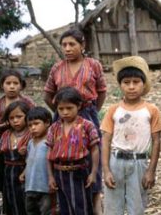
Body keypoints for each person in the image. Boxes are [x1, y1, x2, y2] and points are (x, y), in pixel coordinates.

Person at [43, 28, 107, 214]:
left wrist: (91, 111)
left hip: (87, 113)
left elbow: (101, 91)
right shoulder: (57, 67)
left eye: (72, 44)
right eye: (64, 45)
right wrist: (60, 111)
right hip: (63, 118)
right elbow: (48, 94)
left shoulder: (93, 65)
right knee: (63, 154)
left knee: (90, 156)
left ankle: (94, 203)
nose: (68, 48)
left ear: (82, 45)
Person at [101, 56, 161, 214]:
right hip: (116, 162)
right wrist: (107, 170)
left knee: (136, 208)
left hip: (139, 163)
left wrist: (151, 170)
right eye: (126, 82)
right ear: (120, 85)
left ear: (143, 84)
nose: (131, 87)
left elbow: (156, 141)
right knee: (112, 208)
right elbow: (106, 140)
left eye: (136, 82)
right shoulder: (114, 110)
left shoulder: (151, 110)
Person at [47, 87, 100, 215]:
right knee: (64, 207)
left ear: (79, 106)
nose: (65, 112)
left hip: (79, 171)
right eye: (61, 109)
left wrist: (93, 173)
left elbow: (94, 150)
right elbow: (49, 153)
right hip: (59, 172)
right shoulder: (54, 128)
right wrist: (50, 176)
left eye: (69, 108)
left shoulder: (87, 125)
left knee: (81, 207)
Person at [0, 69, 35, 208]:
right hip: (5, 145)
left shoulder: (27, 103)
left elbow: (36, 120)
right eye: (8, 83)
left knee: (24, 185)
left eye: (15, 83)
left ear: (21, 85)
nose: (11, 86)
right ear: (1, 85)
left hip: (25, 142)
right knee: (7, 181)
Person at [0, 101, 32, 215]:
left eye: (19, 116)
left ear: (27, 116)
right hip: (8, 174)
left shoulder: (31, 134)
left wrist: (26, 151)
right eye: (11, 118)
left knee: (24, 200)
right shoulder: (6, 134)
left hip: (24, 173)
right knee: (10, 199)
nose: (15, 120)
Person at [20, 106, 54, 215]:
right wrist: (24, 173)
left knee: (46, 212)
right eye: (30, 125)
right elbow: (30, 161)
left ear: (47, 123)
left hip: (45, 188)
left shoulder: (50, 142)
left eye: (36, 124)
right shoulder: (30, 143)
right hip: (30, 186)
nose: (33, 128)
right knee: (31, 211)